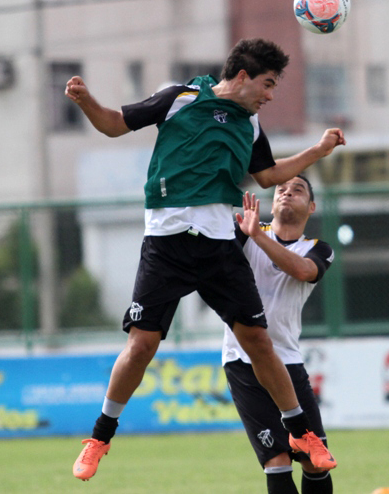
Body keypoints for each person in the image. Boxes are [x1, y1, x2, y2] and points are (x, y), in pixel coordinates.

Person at [64, 38, 345, 481]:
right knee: (142, 346)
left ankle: (300, 432)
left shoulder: (250, 125)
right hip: (167, 245)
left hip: (217, 247)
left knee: (258, 340)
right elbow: (116, 125)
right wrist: (86, 102)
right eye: (267, 85)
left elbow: (267, 174)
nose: (270, 96)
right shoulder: (181, 98)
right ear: (241, 76)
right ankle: (99, 438)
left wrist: (317, 151)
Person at [224, 175, 334, 494]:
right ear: (271, 203)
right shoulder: (242, 235)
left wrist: (256, 234)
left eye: (297, 190)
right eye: (280, 190)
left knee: (314, 460)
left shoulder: (318, 249)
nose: (287, 193)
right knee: (277, 459)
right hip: (242, 360)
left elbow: (301, 271)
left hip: (287, 362)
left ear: (311, 207)